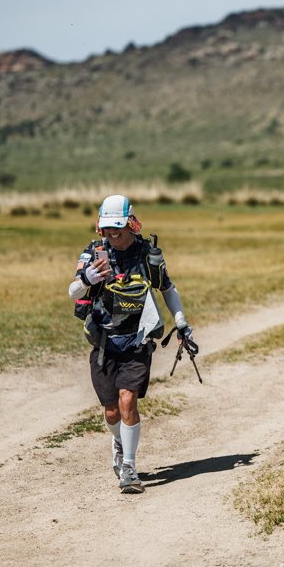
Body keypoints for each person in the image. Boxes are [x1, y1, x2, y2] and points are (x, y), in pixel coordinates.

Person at [68, 195, 194, 494]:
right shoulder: (94, 253)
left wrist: (181, 322)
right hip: (103, 342)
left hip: (137, 340)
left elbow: (167, 287)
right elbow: (73, 292)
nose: (113, 235)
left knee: (128, 400)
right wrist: (87, 278)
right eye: (107, 230)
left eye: (118, 229)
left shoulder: (148, 254)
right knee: (111, 411)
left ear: (131, 224)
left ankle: (130, 467)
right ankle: (119, 442)